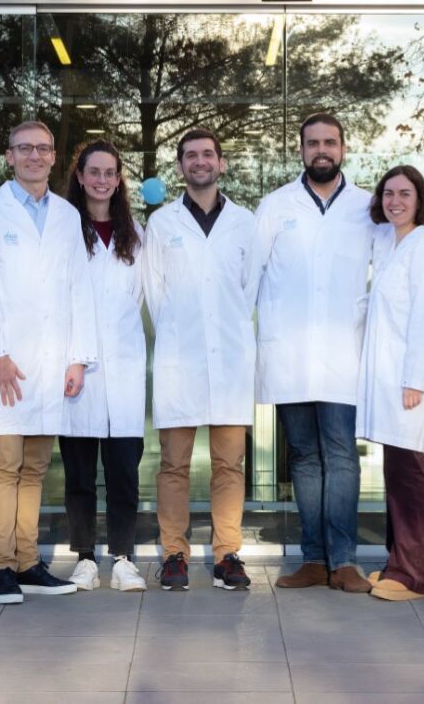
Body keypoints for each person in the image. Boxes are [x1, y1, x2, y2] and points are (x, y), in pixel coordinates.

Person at [0, 121, 98, 605]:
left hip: (50, 362)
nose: (35, 156)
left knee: (36, 468)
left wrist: (78, 358)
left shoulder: (64, 215)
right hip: (7, 364)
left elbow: (78, 288)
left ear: (54, 156)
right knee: (5, 464)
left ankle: (27, 561)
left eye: (42, 149)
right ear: (9, 155)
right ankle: (1, 566)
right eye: (25, 149)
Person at [259, 113, 375, 593]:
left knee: (342, 455)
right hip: (289, 357)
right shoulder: (275, 205)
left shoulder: (368, 207)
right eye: (313, 143)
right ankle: (312, 559)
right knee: (305, 457)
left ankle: (344, 560)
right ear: (301, 150)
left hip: (345, 355)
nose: (321, 150)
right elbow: (252, 279)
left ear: (343, 148)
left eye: (330, 142)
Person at [144, 128, 259, 592]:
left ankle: (228, 554)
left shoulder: (245, 223)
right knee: (173, 465)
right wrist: (178, 332)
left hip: (230, 359)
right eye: (190, 156)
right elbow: (155, 293)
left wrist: (224, 329)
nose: (199, 162)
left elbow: (248, 289)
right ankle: (174, 553)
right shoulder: (162, 225)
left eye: (207, 154)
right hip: (181, 358)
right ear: (180, 167)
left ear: (221, 163)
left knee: (229, 465)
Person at [60, 140, 148, 593]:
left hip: (125, 365)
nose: (101, 180)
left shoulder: (135, 231)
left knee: (123, 470)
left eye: (109, 172)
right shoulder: (64, 229)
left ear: (118, 180)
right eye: (93, 171)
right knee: (78, 473)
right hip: (77, 367)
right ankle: (84, 557)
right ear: (80, 176)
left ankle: (124, 557)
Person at [355, 165, 424, 601]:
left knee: (409, 475)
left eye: (404, 194)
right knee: (396, 470)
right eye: (388, 194)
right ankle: (400, 563)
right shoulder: (389, 242)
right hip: (385, 377)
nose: (395, 201)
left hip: (408, 381)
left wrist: (415, 380)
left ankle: (417, 575)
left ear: (420, 199)